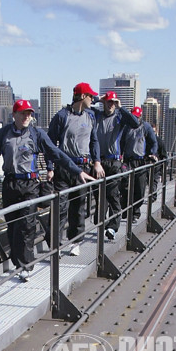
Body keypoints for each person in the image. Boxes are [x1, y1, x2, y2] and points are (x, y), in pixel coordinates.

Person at [0, 99, 92, 278]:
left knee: (26, 226)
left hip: (30, 185)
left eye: (29, 114)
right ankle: (18, 262)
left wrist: (77, 171)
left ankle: (25, 266)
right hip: (10, 184)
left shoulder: (36, 134)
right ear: (14, 114)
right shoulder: (3, 134)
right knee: (13, 226)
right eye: (23, 113)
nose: (26, 117)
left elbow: (56, 153)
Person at [47, 82, 105, 256]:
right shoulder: (62, 116)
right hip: (64, 167)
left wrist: (97, 162)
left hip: (83, 167)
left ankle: (75, 241)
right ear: (82, 97)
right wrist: (50, 167)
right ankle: (55, 245)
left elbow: (94, 141)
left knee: (78, 206)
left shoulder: (90, 117)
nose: (93, 99)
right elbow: (50, 143)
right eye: (90, 96)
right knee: (60, 207)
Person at [93, 91, 139, 240]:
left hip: (114, 162)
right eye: (108, 102)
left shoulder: (119, 117)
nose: (111, 105)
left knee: (112, 195)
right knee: (99, 196)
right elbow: (83, 108)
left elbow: (135, 123)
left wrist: (121, 107)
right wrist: (98, 99)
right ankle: (101, 223)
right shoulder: (97, 115)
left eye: (113, 102)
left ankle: (113, 227)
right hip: (99, 162)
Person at [122, 107, 158, 220]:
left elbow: (154, 142)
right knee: (126, 187)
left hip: (141, 161)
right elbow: (120, 142)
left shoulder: (146, 127)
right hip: (128, 161)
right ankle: (127, 211)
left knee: (140, 189)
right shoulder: (126, 127)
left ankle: (135, 211)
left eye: (137, 117)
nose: (135, 119)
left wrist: (152, 153)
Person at [150, 123, 167, 203]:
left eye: (153, 132)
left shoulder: (160, 142)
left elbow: (164, 156)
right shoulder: (146, 140)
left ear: (156, 132)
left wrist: (163, 170)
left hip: (156, 165)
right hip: (146, 164)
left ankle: (153, 197)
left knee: (153, 182)